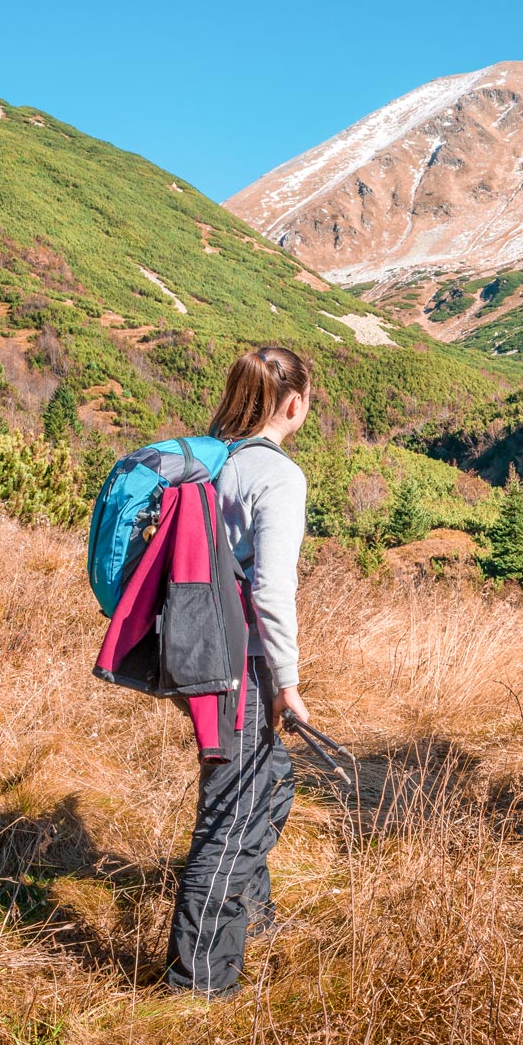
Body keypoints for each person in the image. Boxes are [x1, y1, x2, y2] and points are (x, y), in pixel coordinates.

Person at [167, 345, 313, 997]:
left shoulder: (215, 461)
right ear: (294, 403)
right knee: (234, 815)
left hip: (196, 647)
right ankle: (195, 989)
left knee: (260, 782)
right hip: (242, 662)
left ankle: (254, 924)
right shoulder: (277, 475)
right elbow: (271, 590)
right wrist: (287, 682)